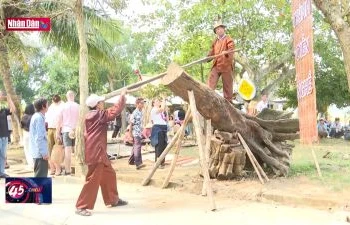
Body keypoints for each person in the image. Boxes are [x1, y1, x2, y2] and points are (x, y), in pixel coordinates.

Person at [75, 90, 128, 216]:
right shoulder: (98, 114)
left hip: (98, 152)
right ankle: (81, 206)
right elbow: (114, 111)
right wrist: (122, 96)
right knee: (92, 180)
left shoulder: (91, 115)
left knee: (110, 174)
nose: (103, 104)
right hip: (97, 153)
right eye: (101, 102)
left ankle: (112, 199)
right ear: (97, 105)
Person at [207, 19, 235, 102]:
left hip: (226, 65)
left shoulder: (228, 39)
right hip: (216, 64)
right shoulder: (215, 41)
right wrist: (208, 57)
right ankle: (207, 98)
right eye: (216, 29)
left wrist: (226, 52)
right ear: (215, 32)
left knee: (227, 86)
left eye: (219, 28)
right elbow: (212, 51)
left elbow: (231, 49)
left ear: (223, 29)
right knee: (210, 84)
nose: (218, 30)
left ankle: (228, 103)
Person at [56, 90, 79, 175]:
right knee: (77, 150)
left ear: (66, 97)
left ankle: (68, 170)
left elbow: (59, 121)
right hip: (76, 130)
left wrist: (57, 133)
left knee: (67, 151)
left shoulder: (63, 106)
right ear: (73, 96)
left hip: (66, 130)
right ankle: (78, 169)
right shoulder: (78, 106)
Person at [30, 98, 49, 177]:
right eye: (47, 104)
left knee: (39, 177)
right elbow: (39, 138)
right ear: (43, 106)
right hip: (40, 154)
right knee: (40, 178)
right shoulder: (39, 118)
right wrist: (43, 153)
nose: (48, 106)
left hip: (37, 152)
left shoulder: (37, 116)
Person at [46, 94, 64, 175]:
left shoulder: (63, 105)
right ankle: (52, 168)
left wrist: (59, 131)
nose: (55, 100)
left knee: (57, 150)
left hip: (59, 129)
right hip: (50, 128)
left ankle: (58, 169)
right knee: (49, 149)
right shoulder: (50, 107)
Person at [128, 97, 146, 169]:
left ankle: (131, 161)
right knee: (138, 147)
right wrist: (130, 133)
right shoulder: (135, 113)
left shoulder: (141, 112)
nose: (143, 104)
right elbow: (131, 123)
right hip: (135, 132)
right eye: (141, 103)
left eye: (143, 103)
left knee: (135, 146)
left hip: (139, 132)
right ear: (137, 104)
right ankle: (138, 163)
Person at [150, 97, 168, 169]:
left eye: (159, 101)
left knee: (164, 145)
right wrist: (164, 99)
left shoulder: (160, 112)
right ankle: (158, 162)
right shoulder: (154, 109)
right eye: (157, 101)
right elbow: (162, 108)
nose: (158, 102)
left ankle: (162, 162)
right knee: (159, 145)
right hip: (158, 128)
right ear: (153, 103)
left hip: (163, 127)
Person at [20, 104, 35, 170]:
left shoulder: (24, 116)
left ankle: (30, 164)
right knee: (33, 149)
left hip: (26, 133)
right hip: (33, 134)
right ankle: (34, 164)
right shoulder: (34, 116)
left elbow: (21, 126)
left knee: (27, 149)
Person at [0, 106, 12, 178]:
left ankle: (1, 172)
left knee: (3, 155)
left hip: (5, 135)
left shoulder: (4, 110)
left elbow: (12, 109)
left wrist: (8, 96)